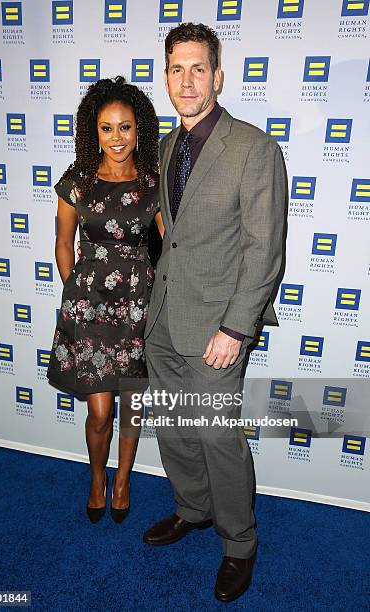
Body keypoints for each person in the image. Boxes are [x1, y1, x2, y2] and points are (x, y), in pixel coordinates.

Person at [143, 23, 286, 602]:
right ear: (168, 77)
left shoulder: (253, 147)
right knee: (176, 429)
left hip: (217, 329)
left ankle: (239, 543)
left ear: (218, 76)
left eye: (198, 67)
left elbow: (265, 247)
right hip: (164, 319)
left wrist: (236, 327)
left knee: (217, 435)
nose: (186, 79)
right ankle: (191, 509)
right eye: (176, 68)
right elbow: (169, 237)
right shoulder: (163, 147)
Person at [47, 76, 164, 524]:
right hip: (90, 305)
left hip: (138, 303)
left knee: (132, 405)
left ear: (140, 130)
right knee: (100, 412)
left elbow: (170, 245)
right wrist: (74, 290)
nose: (117, 138)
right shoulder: (77, 180)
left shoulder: (154, 184)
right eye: (107, 128)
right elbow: (63, 242)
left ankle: (122, 480)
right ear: (93, 131)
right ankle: (96, 477)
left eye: (126, 127)